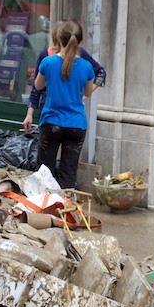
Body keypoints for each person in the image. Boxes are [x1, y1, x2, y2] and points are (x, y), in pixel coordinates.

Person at [32, 19, 97, 189]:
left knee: (44, 172)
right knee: (69, 174)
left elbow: (38, 86)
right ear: (80, 41)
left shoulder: (48, 62)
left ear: (58, 40)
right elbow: (88, 93)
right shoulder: (87, 67)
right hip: (76, 124)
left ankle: (45, 211)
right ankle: (66, 210)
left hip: (52, 122)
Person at [22, 21, 105, 133]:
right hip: (56, 115)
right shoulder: (46, 56)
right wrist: (29, 113)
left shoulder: (79, 56)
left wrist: (84, 94)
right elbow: (36, 89)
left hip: (63, 116)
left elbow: (100, 73)